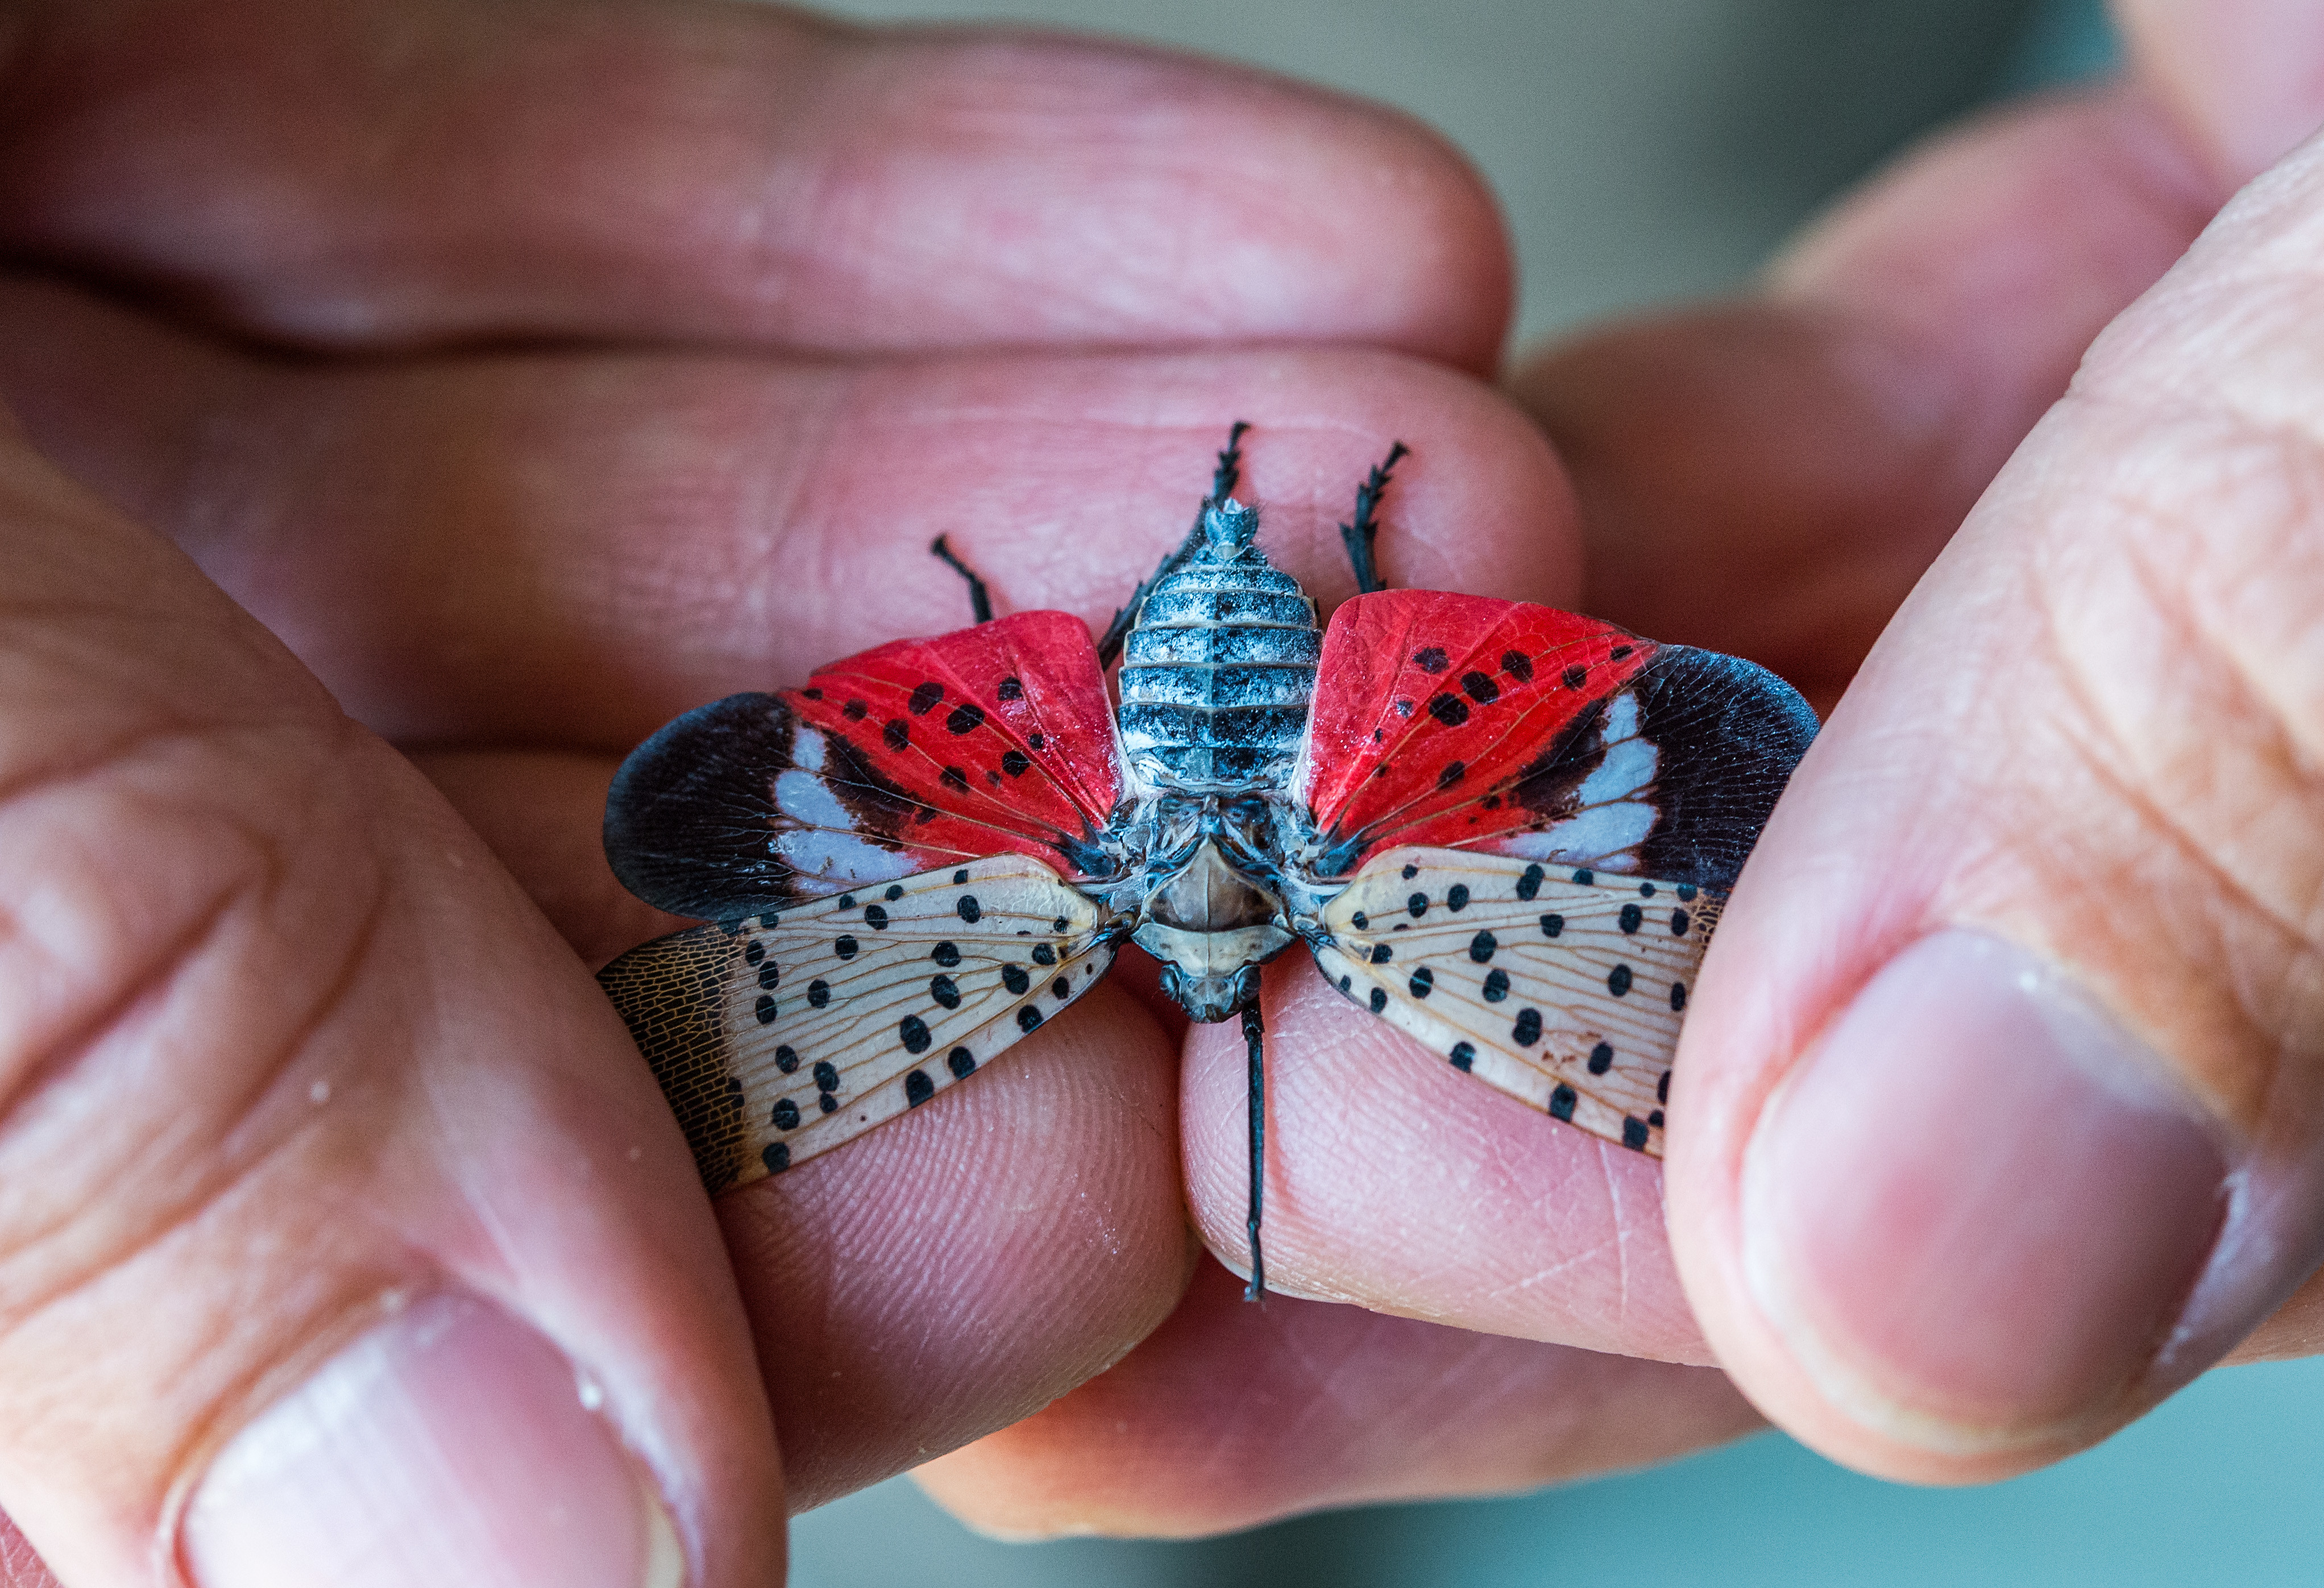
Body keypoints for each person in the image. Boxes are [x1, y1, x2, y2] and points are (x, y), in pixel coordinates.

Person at [0, 1, 2315, 1583]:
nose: (1219, 980)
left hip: (1088, 777)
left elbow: (719, 842)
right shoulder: (1377, 938)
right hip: (1333, 760)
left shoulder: (1102, 927)